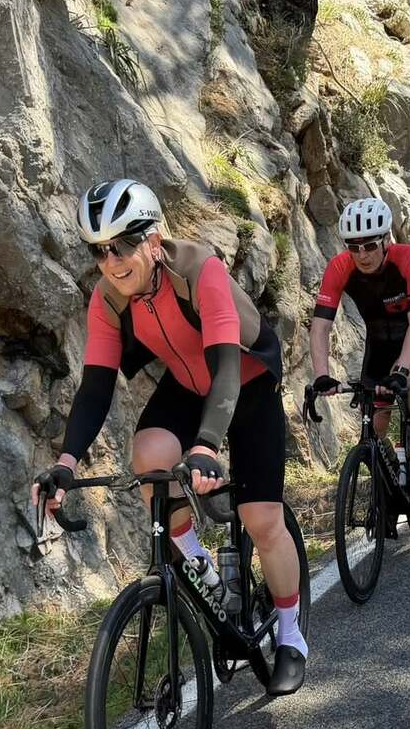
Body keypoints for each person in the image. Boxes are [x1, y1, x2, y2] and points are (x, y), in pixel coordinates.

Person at [35, 179, 307, 693]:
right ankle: (199, 564)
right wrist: (66, 463)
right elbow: (95, 387)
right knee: (149, 455)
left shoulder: (200, 270)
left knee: (261, 519)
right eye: (98, 251)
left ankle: (291, 634)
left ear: (153, 241)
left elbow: (225, 367)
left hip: (243, 382)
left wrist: (205, 447)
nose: (111, 261)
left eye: (122, 245)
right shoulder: (107, 300)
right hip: (186, 386)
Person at [308, 198, 410, 484]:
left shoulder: (409, 258)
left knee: (407, 378)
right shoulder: (339, 267)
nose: (362, 255)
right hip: (380, 345)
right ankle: (392, 480)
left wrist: (402, 371)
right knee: (374, 430)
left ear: (385, 240)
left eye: (370, 245)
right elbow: (320, 327)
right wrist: (321, 375)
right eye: (353, 247)